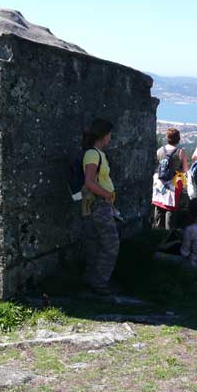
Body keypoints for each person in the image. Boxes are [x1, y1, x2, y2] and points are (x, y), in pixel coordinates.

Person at [81, 119, 119, 295]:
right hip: (99, 204)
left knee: (96, 243)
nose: (110, 138)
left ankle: (92, 280)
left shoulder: (98, 154)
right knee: (111, 244)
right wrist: (107, 195)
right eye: (109, 134)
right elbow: (89, 182)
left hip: (102, 204)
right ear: (104, 135)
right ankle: (100, 283)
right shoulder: (92, 154)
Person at [152, 128, 189, 229]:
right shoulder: (181, 152)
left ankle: (157, 231)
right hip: (174, 183)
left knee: (159, 205)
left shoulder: (160, 150)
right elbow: (185, 169)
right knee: (171, 207)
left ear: (167, 138)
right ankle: (169, 232)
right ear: (178, 139)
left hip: (160, 182)